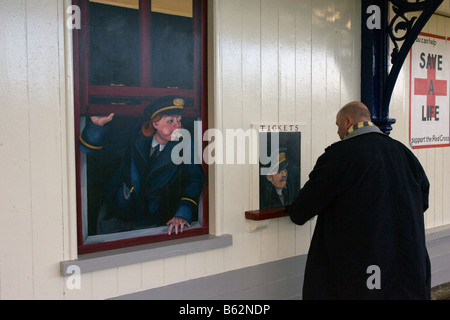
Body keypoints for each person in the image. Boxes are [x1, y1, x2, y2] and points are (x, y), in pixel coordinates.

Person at [286, 101, 431, 300]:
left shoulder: (339, 155)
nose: (338, 132)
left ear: (348, 121)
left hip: (361, 268)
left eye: (338, 126)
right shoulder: (404, 153)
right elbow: (423, 200)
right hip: (405, 263)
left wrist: (291, 208)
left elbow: (303, 210)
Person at [79, 95, 204, 236]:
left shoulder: (184, 144)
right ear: (155, 124)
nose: (177, 125)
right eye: (170, 121)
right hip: (115, 211)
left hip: (152, 219)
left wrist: (183, 212)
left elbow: (196, 179)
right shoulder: (135, 134)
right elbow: (96, 151)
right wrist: (97, 126)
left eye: (179, 120)